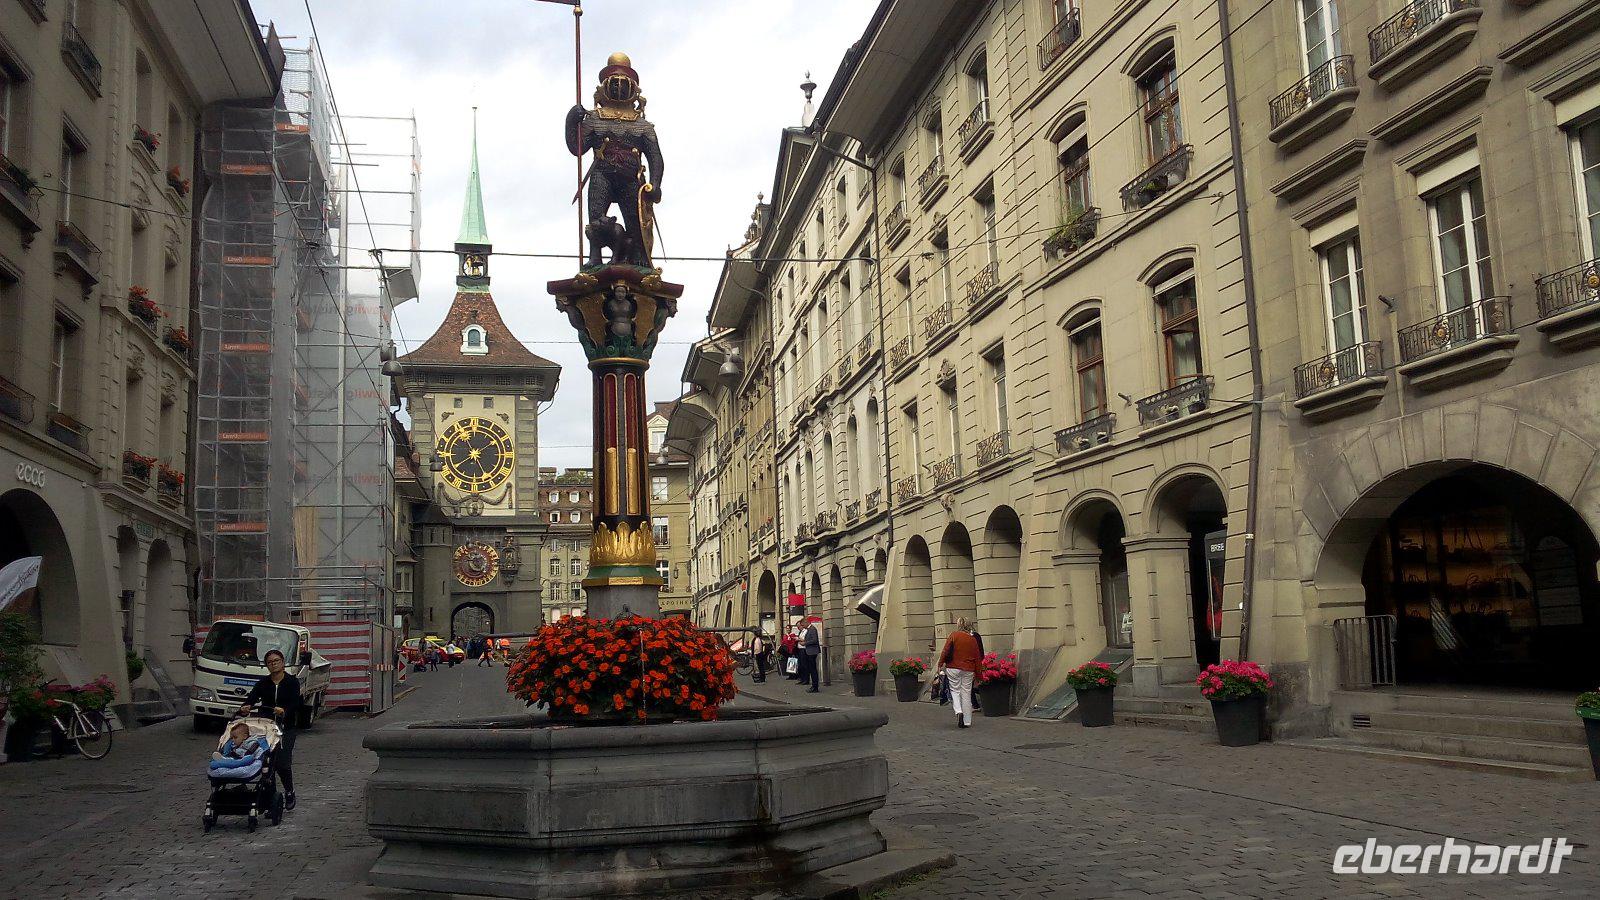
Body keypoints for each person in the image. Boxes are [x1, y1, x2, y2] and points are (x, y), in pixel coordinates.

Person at [239, 648, 302, 809]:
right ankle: (271, 798)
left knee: (282, 763)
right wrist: (246, 706)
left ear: (282, 663)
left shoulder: (292, 682)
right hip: (266, 727)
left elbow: (296, 703)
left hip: (285, 728)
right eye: (269, 662)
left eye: (276, 661)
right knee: (267, 763)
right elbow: (251, 698)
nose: (273, 665)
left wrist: (285, 710)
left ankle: (289, 791)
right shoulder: (263, 683)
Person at [938, 618, 982, 729]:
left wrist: (940, 664)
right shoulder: (972, 640)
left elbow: (945, 650)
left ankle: (958, 711)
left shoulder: (954, 635)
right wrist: (979, 675)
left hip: (953, 667)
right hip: (968, 669)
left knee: (955, 690)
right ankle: (967, 721)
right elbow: (977, 657)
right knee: (966, 693)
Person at [800, 621, 821, 693]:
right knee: (811, 669)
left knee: (813, 669)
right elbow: (810, 639)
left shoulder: (812, 629)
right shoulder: (809, 630)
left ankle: (815, 687)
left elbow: (814, 640)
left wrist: (805, 643)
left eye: (803, 625)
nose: (803, 626)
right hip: (809, 651)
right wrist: (802, 640)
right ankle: (813, 686)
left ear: (806, 623)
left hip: (812, 651)